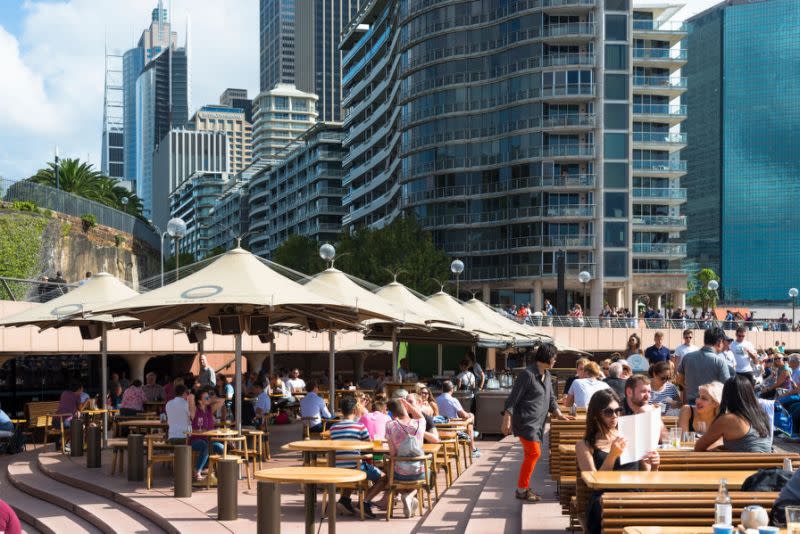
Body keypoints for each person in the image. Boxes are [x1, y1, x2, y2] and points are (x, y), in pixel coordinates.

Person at [575, 389, 660, 534]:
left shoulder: (631, 436)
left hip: (634, 495)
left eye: (618, 410)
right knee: (601, 508)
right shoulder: (585, 445)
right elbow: (595, 485)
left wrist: (655, 466)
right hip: (604, 498)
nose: (614, 416)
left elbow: (647, 483)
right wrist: (612, 456)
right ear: (596, 415)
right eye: (608, 412)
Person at [502, 343, 573, 502]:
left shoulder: (547, 375)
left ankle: (523, 487)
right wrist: (507, 418)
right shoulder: (528, 374)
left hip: (538, 424)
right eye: (554, 357)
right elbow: (513, 398)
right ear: (547, 357)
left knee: (530, 454)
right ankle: (521, 489)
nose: (555, 360)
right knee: (534, 453)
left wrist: (559, 414)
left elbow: (551, 399)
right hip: (526, 422)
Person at [329, 397, 386, 518]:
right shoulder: (359, 427)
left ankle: (344, 500)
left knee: (353, 463)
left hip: (337, 468)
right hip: (355, 467)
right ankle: (364, 503)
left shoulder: (333, 428)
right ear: (355, 410)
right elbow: (369, 446)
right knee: (384, 478)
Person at [694, 375, 772, 453]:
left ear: (726, 396)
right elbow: (749, 444)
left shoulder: (728, 419)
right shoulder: (761, 415)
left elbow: (699, 447)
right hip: (767, 463)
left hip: (747, 464)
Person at [385, 397, 428, 518]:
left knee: (390, 469)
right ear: (405, 408)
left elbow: (392, 453)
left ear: (391, 412)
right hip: (419, 472)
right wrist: (408, 404)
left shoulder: (390, 425)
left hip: (400, 474)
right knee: (429, 472)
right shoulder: (420, 423)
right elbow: (420, 415)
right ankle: (410, 496)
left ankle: (405, 494)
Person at [676, 327, 732, 405]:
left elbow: (679, 379)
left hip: (691, 406)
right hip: (711, 407)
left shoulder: (687, 357)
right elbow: (727, 387)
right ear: (719, 342)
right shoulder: (719, 361)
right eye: (723, 342)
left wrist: (689, 387)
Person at [189, 389, 226, 480]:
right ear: (199, 401)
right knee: (205, 446)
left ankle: (220, 472)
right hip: (195, 440)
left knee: (223, 448)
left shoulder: (210, 409)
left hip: (210, 440)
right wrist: (202, 398)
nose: (208, 398)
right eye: (206, 397)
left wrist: (209, 399)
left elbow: (222, 400)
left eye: (208, 397)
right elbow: (191, 397)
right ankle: (197, 471)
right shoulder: (195, 411)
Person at [437, 380, 479, 458]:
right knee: (470, 421)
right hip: (452, 429)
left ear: (442, 389)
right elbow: (463, 415)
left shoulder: (436, 399)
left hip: (440, 429)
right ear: (452, 389)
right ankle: (473, 449)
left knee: (469, 420)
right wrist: (470, 415)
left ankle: (472, 433)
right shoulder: (453, 400)